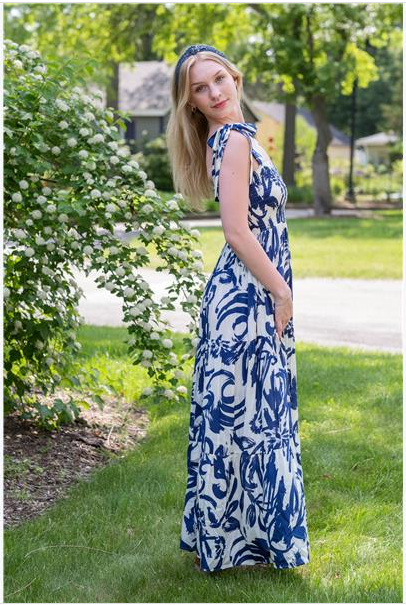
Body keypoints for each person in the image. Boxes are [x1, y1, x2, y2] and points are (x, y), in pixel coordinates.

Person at [167, 44, 311, 573]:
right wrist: (282, 292)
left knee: (246, 420)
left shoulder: (236, 136)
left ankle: (240, 544)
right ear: (191, 103)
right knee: (252, 421)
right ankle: (245, 546)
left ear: (235, 77)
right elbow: (236, 231)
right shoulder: (231, 141)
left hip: (247, 293)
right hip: (247, 298)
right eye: (200, 89)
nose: (214, 92)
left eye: (219, 80)